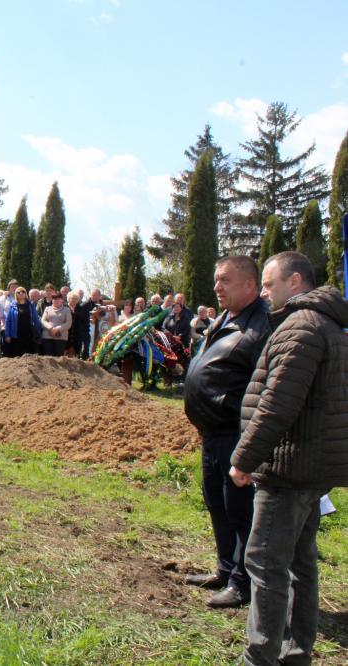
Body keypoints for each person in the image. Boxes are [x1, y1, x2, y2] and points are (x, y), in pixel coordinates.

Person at [229, 251, 348, 664]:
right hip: (311, 466)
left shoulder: (301, 327)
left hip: (288, 467)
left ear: (295, 281)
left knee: (265, 562)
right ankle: (296, 654)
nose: (264, 292)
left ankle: (260, 657)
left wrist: (244, 458)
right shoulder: (328, 325)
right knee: (300, 562)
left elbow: (277, 405)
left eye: (269, 284)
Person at [183, 255, 270, 609]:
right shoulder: (224, 319)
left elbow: (266, 385)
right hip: (212, 431)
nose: (217, 287)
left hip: (236, 431)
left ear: (250, 285)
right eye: (216, 279)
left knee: (240, 509)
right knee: (216, 503)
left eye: (225, 280)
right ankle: (224, 568)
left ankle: (241, 582)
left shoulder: (262, 325)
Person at [3, 286, 40, 357]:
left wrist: (38, 334)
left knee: (29, 356)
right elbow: (8, 321)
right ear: (15, 294)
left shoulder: (31, 305)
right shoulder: (12, 305)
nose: (21, 293)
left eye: (23, 291)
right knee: (17, 356)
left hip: (29, 334)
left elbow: (36, 319)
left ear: (26, 294)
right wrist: (7, 335)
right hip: (16, 334)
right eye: (18, 292)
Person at [40, 292, 71, 357]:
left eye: (58, 298)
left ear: (62, 300)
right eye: (54, 299)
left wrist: (57, 329)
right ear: (52, 300)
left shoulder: (67, 310)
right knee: (47, 357)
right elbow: (43, 320)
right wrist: (51, 328)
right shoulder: (47, 309)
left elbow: (68, 323)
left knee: (58, 358)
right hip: (47, 336)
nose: (56, 300)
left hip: (61, 337)